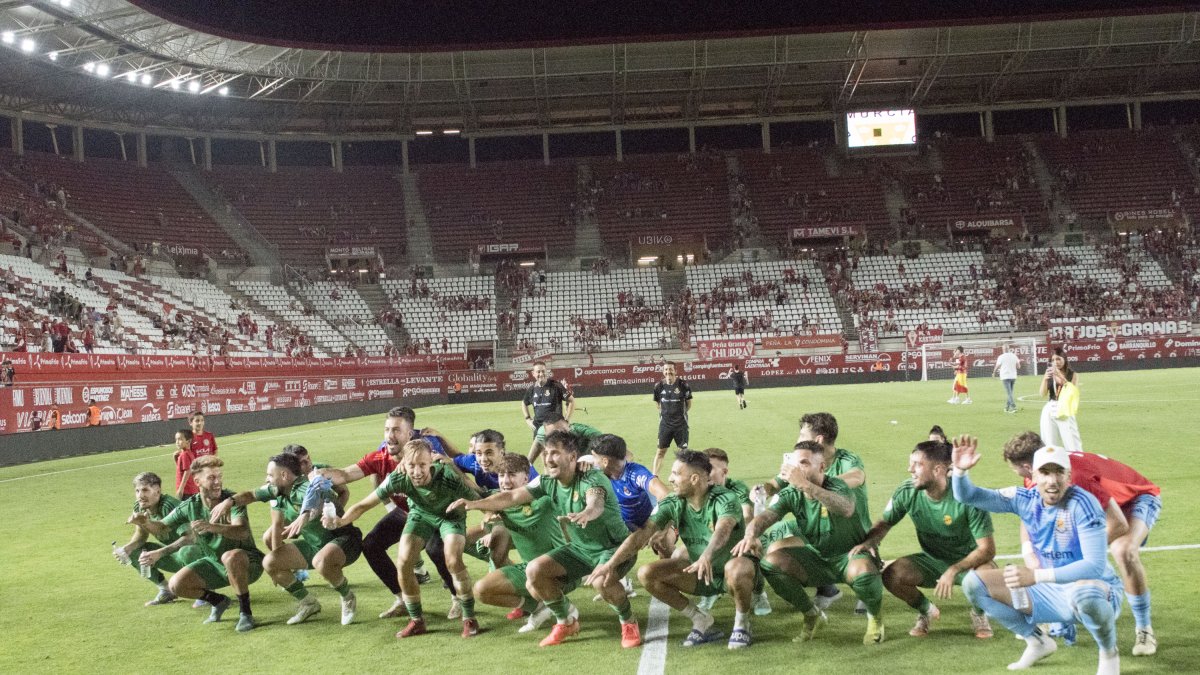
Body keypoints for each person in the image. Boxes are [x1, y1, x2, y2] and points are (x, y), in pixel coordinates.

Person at [448, 431, 640, 649]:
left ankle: (628, 621)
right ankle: (565, 621)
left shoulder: (591, 478)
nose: (548, 458)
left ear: (572, 457)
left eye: (555, 453)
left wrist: (588, 512)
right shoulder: (548, 482)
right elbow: (512, 496)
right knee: (534, 570)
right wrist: (474, 504)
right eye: (546, 453)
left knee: (600, 581)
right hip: (580, 549)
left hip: (614, 548)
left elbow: (595, 500)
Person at [952, 439, 1122, 675]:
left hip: (1097, 590)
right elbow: (969, 496)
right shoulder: (1025, 498)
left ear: (1069, 476)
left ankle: (1108, 653)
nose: (1052, 481)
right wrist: (960, 472)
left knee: (1085, 593)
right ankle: (1037, 641)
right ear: (1033, 475)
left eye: (1058, 472)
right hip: (1050, 590)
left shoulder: (1084, 504)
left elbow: (1094, 566)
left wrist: (1036, 576)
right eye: (1044, 472)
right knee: (974, 583)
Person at [1002, 431, 1161, 656]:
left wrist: (1074, 556)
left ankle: (1144, 629)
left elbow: (1118, 524)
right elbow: (1031, 514)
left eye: (1015, 468)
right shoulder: (1041, 473)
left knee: (1124, 550)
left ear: (1027, 466)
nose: (1016, 473)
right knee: (1052, 548)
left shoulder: (1074, 477)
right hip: (1104, 505)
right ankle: (1052, 613)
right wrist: (1030, 553)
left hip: (1136, 499)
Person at [589, 450, 759, 650]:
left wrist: (706, 555)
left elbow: (724, 528)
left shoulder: (725, 498)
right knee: (647, 573)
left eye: (676, 474)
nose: (670, 479)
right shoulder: (673, 502)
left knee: (736, 569)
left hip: (734, 572)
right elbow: (642, 535)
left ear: (694, 479)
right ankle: (701, 619)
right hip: (701, 572)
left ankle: (742, 623)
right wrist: (610, 565)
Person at [733, 440, 885, 645]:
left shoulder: (837, 485)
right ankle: (812, 614)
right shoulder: (791, 494)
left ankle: (875, 619)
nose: (797, 469)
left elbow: (846, 508)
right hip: (818, 559)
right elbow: (766, 517)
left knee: (864, 570)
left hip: (851, 556)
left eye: (804, 463)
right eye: (795, 463)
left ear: (821, 467)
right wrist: (750, 534)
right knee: (771, 563)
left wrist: (807, 486)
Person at [326, 439, 482, 638]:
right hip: (420, 515)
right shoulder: (398, 478)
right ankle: (417, 621)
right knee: (404, 561)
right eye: (411, 465)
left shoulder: (447, 476)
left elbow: (476, 499)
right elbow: (364, 504)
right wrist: (341, 521)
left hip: (450, 517)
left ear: (431, 462)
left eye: (422, 465)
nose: (417, 471)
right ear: (403, 464)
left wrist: (490, 516)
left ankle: (469, 618)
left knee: (452, 559)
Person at [313, 407, 453, 619]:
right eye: (387, 429)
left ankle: (457, 597)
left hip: (436, 514)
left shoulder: (427, 458)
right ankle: (403, 599)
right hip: (406, 512)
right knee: (371, 545)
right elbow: (346, 474)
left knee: (435, 549)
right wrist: (320, 476)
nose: (390, 435)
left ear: (409, 434)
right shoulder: (380, 457)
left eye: (396, 430)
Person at [850, 441, 996, 639]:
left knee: (988, 576)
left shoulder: (967, 497)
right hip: (931, 560)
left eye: (917, 464)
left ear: (937, 470)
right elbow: (885, 522)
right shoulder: (907, 491)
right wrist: (869, 542)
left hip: (969, 561)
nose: (910, 469)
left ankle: (979, 613)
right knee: (893, 575)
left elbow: (987, 550)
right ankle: (926, 610)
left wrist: (953, 570)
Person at [210, 452, 363, 627]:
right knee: (271, 562)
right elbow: (251, 495)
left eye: (270, 475)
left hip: (346, 541)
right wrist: (229, 502)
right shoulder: (277, 490)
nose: (267, 479)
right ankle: (308, 603)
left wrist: (306, 515)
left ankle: (347, 597)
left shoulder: (305, 486)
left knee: (321, 561)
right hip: (316, 545)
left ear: (284, 475)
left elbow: (316, 500)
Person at [129, 456, 264, 632]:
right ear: (197, 481)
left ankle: (245, 612)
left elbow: (242, 531)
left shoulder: (231, 500)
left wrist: (212, 527)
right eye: (211, 478)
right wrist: (145, 522)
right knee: (176, 585)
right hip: (214, 563)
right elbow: (161, 527)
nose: (218, 482)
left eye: (219, 476)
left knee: (230, 556)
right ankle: (218, 601)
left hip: (248, 563)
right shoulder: (190, 505)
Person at [762, 412, 870, 611]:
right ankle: (827, 588)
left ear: (818, 439)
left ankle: (868, 580)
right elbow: (775, 483)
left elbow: (856, 477)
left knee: (855, 559)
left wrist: (813, 483)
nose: (798, 440)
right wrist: (762, 490)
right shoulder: (801, 460)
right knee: (774, 549)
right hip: (815, 526)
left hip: (849, 530)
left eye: (802, 435)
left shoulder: (847, 459)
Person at [470, 452, 575, 634]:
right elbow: (485, 504)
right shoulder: (499, 501)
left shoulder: (544, 497)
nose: (505, 481)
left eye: (512, 475)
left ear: (526, 478)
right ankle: (538, 608)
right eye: (501, 475)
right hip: (531, 570)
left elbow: (566, 481)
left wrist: (583, 463)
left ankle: (565, 608)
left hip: (563, 569)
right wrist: (489, 522)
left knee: (534, 572)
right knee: (482, 590)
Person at [114, 472, 197, 606]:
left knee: (188, 551)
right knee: (136, 552)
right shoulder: (139, 507)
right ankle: (166, 589)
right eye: (137, 491)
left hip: (201, 555)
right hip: (176, 555)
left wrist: (160, 553)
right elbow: (141, 535)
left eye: (145, 490)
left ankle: (205, 591)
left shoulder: (170, 506)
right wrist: (127, 549)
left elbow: (191, 538)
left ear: (158, 491)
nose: (140, 495)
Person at [521, 362, 574, 455]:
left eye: (543, 371)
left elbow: (571, 401)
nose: (541, 374)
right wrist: (527, 419)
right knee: (543, 455)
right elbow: (523, 403)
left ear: (547, 372)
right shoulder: (532, 389)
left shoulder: (556, 386)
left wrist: (567, 419)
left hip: (554, 427)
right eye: (538, 372)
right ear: (533, 373)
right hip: (538, 427)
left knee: (557, 453)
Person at [652, 361, 693, 475]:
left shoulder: (683, 385)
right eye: (666, 369)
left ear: (675, 371)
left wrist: (679, 414)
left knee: (682, 454)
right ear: (663, 371)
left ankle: (680, 477)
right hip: (665, 425)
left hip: (681, 425)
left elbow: (689, 404)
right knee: (660, 452)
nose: (668, 372)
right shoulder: (658, 386)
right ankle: (654, 477)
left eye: (670, 369)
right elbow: (658, 404)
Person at [1039, 348, 1082, 452]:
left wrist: (1058, 375)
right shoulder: (1049, 373)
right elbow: (1042, 393)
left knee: (1072, 442)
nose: (1056, 362)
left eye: (1058, 359)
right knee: (1049, 442)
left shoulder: (1072, 374)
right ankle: (1051, 461)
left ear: (1064, 359)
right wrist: (1045, 379)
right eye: (1053, 360)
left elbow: (1071, 390)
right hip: (1050, 407)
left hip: (1065, 408)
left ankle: (1076, 460)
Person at [527, 411, 601, 464]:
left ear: (568, 427)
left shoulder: (584, 432)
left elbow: (604, 440)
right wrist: (529, 464)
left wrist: (591, 458)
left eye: (561, 432)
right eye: (553, 435)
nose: (557, 437)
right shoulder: (542, 432)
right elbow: (537, 441)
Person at [992, 343, 1022, 413]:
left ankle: (1014, 407)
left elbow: (997, 366)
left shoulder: (1001, 357)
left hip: (1005, 376)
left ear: (1003, 349)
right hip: (1013, 376)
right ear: (1009, 349)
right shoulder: (1014, 356)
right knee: (1010, 393)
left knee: (1009, 393)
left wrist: (993, 372)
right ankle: (1007, 407)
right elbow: (1019, 366)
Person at [172, 429, 199, 500]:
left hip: (186, 491)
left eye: (180, 439)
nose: (177, 442)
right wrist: (175, 459)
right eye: (176, 439)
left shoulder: (184, 454)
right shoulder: (188, 453)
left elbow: (187, 471)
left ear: (188, 441)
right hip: (191, 489)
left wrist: (181, 488)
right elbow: (181, 469)